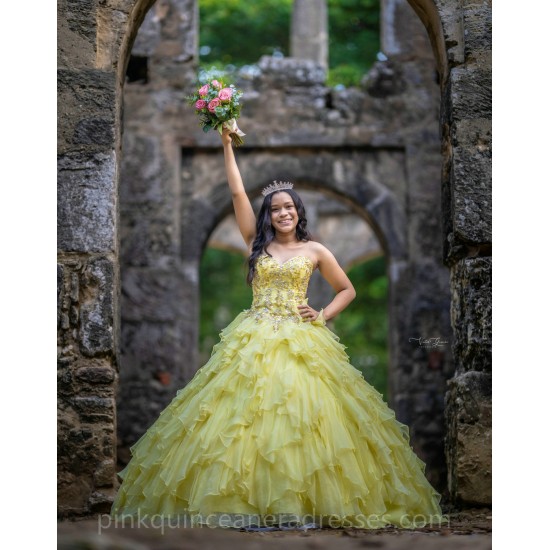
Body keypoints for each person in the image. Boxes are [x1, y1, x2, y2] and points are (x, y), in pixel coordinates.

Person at [110, 128, 447, 530]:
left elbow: (348, 289)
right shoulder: (256, 243)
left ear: (298, 212)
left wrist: (321, 316)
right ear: (268, 216)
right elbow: (237, 194)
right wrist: (226, 145)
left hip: (301, 338)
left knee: (305, 417)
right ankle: (246, 502)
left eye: (289, 207)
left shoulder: (316, 250)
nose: (282, 213)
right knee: (243, 419)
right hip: (253, 336)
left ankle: (305, 502)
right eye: (275, 209)